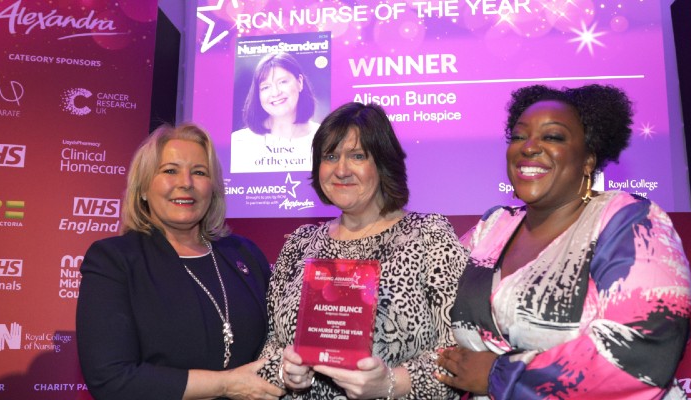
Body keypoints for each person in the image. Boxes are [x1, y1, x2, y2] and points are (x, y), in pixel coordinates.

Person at [437, 85, 691, 399]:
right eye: (518, 137)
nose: (528, 147)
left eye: (553, 137)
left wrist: (499, 375)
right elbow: (431, 311)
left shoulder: (629, 222)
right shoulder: (492, 227)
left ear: (588, 158)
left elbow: (640, 352)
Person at [256, 102, 468, 399]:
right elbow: (269, 347)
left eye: (357, 156)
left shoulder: (428, 237)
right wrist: (283, 372)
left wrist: (391, 383)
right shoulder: (299, 245)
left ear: (382, 164)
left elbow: (460, 354)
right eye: (330, 156)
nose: (341, 170)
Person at [76, 123, 285, 400]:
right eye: (170, 171)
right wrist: (225, 384)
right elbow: (111, 379)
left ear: (213, 189)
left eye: (199, 172)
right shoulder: (115, 260)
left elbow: (280, 341)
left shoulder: (245, 254)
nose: (186, 183)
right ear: (143, 188)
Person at [231, 52, 321, 173]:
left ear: (300, 82)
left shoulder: (324, 137)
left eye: (282, 82)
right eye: (265, 87)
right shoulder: (239, 143)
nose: (275, 93)